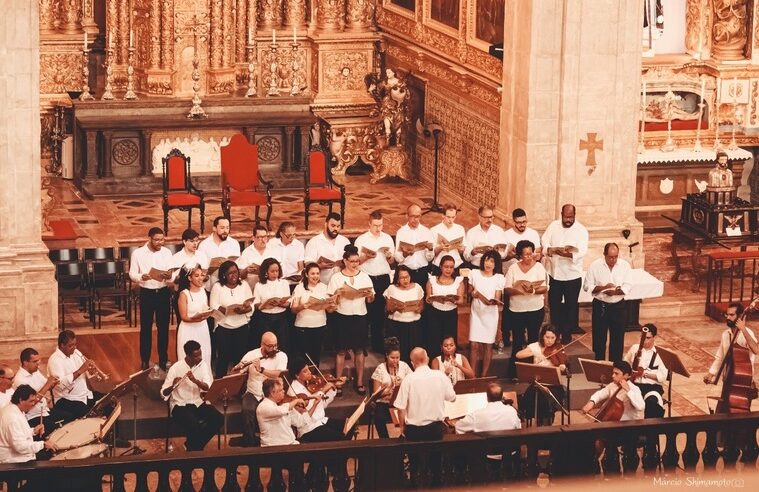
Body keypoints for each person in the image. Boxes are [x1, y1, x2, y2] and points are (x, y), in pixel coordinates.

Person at [394, 347, 456, 487]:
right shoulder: (440, 376)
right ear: (427, 359)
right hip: (435, 429)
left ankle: (415, 475)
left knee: (413, 455)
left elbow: (400, 407)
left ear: (412, 363)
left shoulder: (409, 379)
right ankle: (436, 477)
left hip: (414, 431)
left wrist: (403, 428)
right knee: (436, 454)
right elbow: (452, 397)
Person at [289, 359, 350, 490]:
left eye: (308, 369)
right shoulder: (293, 390)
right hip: (308, 428)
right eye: (304, 371)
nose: (309, 373)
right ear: (296, 375)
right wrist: (322, 390)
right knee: (341, 438)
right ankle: (336, 471)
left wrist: (334, 387)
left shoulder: (309, 384)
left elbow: (322, 404)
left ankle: (333, 466)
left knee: (349, 426)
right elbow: (308, 409)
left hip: (321, 421)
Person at [327, 245, 375, 395]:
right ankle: (338, 382)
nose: (355, 264)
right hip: (343, 316)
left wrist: (369, 295)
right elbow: (330, 298)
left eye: (357, 261)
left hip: (360, 315)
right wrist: (338, 295)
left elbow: (371, 299)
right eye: (352, 261)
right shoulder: (336, 277)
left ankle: (359, 382)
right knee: (341, 350)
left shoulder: (364, 276)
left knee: (359, 350)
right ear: (345, 261)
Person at [161, 340, 222, 451]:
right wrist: (173, 385)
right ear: (188, 356)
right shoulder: (175, 368)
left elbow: (207, 387)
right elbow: (163, 393)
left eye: (200, 354)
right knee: (194, 425)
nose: (200, 357)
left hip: (197, 402)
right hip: (179, 405)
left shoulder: (203, 365)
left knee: (218, 418)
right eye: (196, 356)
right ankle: (195, 449)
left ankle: (192, 446)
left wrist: (195, 381)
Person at [542, 204, 588, 344]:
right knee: (554, 305)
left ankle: (567, 336)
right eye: (566, 217)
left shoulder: (581, 230)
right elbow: (544, 241)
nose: (568, 220)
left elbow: (582, 251)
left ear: (575, 215)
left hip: (572, 276)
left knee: (570, 306)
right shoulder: (553, 226)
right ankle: (554, 335)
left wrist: (567, 254)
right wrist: (550, 249)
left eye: (571, 217)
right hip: (554, 274)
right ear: (561, 214)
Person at [129, 226, 173, 370]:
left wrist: (169, 275)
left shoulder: (167, 253)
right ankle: (145, 360)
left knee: (163, 328)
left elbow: (172, 272)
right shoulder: (138, 253)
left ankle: (163, 360)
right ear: (150, 239)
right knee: (146, 328)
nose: (160, 242)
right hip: (147, 293)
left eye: (162, 240)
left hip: (163, 293)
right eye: (157, 240)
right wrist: (141, 276)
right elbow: (132, 273)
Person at [504, 240, 549, 376]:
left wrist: (533, 291)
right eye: (525, 255)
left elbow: (545, 287)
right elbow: (507, 289)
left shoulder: (539, 267)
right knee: (517, 341)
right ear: (519, 255)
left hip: (535, 309)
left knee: (533, 341)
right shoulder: (513, 268)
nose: (529, 257)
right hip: (517, 310)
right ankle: (515, 373)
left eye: (531, 254)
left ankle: (532, 373)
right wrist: (519, 290)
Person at [235, 332, 288, 447]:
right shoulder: (251, 354)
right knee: (247, 410)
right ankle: (250, 445)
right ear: (262, 344)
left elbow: (279, 374)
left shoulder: (281, 356)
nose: (274, 348)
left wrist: (261, 370)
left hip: (271, 394)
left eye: (275, 345)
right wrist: (239, 367)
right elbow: (236, 374)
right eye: (270, 346)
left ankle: (274, 442)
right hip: (253, 392)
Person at [354, 210, 395, 353]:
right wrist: (366, 257)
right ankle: (362, 346)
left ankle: (378, 345)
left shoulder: (388, 239)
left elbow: (392, 261)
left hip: (383, 278)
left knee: (379, 314)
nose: (378, 228)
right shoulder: (361, 240)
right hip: (367, 278)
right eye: (375, 225)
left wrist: (389, 256)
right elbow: (355, 262)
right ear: (369, 224)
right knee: (366, 312)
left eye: (381, 225)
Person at [256, 378, 307, 488]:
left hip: (288, 446)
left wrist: (313, 405)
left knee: (309, 458)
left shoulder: (283, 405)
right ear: (272, 393)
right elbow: (281, 411)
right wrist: (295, 401)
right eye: (280, 390)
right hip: (273, 449)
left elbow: (300, 422)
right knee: (297, 465)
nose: (284, 392)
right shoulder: (263, 406)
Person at [584, 242, 632, 361]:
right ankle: (598, 366)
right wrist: (603, 288)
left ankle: (615, 367)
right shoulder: (595, 265)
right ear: (604, 255)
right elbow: (587, 286)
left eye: (615, 257)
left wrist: (616, 291)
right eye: (610, 257)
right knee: (599, 338)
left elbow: (628, 285)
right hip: (601, 306)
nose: (613, 260)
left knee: (618, 338)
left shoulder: (624, 265)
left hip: (618, 306)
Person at [502, 208, 542, 346]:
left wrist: (532, 255)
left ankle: (528, 339)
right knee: (509, 309)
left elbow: (538, 253)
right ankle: (507, 337)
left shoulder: (533, 233)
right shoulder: (506, 235)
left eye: (524, 222)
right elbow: (503, 256)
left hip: (530, 273)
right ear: (513, 222)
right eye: (519, 223)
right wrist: (514, 255)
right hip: (512, 272)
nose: (522, 225)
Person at [515, 326, 567, 426]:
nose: (550, 341)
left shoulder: (559, 348)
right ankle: (540, 422)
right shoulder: (535, 346)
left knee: (546, 400)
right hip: (538, 384)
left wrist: (562, 367)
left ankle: (547, 422)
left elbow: (563, 365)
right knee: (532, 397)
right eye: (547, 337)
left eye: (553, 338)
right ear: (542, 336)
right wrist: (537, 353)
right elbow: (518, 355)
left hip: (554, 385)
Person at [209, 260, 254, 378]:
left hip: (241, 326)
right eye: (230, 273)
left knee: (240, 358)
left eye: (236, 272)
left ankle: (239, 385)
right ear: (224, 275)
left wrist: (245, 309)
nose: (234, 275)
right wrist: (227, 310)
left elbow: (251, 304)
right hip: (224, 327)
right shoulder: (218, 287)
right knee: (223, 358)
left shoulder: (244, 285)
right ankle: (219, 383)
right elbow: (213, 306)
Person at [47, 330, 101, 423]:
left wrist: (90, 371)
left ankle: (110, 436)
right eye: (70, 345)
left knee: (109, 403)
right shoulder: (54, 360)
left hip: (84, 395)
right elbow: (60, 385)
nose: (74, 348)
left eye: (75, 344)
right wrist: (80, 370)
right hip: (66, 399)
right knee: (90, 416)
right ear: (62, 345)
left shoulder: (75, 353)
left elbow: (85, 372)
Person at [703, 303, 759, 389]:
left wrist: (743, 329)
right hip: (727, 379)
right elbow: (721, 357)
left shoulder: (748, 333)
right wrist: (711, 373)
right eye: (727, 314)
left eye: (731, 315)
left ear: (740, 316)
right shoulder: (725, 334)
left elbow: (756, 350)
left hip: (743, 381)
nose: (728, 317)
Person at [291, 262, 336, 366]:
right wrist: (303, 306)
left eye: (317, 273)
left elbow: (329, 310)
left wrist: (332, 306)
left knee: (316, 355)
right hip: (303, 325)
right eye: (312, 274)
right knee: (303, 356)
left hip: (319, 325)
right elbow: (293, 310)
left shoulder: (324, 287)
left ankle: (315, 379)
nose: (315, 276)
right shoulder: (300, 288)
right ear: (306, 274)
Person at [468, 250, 505, 377]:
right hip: (476, 312)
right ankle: (472, 376)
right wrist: (473, 294)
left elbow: (497, 298)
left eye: (492, 261)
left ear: (496, 264)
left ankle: (484, 376)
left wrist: (485, 298)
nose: (488, 263)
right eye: (486, 260)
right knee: (473, 344)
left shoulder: (499, 278)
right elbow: (470, 291)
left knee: (488, 345)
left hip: (490, 314)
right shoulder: (474, 273)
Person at [0, 385, 57, 463]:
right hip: (14, 460)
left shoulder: (13, 409)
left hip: (18, 455)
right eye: (31, 401)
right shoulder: (12, 418)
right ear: (21, 400)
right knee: (51, 455)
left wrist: (33, 431)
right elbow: (20, 447)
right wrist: (43, 444)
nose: (34, 404)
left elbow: (17, 433)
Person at [371, 337, 413, 439]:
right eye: (392, 358)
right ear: (386, 356)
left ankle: (403, 439)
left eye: (397, 357)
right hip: (385, 401)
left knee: (412, 416)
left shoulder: (404, 366)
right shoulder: (380, 369)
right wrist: (389, 388)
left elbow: (413, 383)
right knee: (379, 418)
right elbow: (376, 395)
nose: (395, 360)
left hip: (401, 401)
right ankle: (386, 442)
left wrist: (402, 384)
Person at [624, 323, 668, 418]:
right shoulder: (635, 348)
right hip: (634, 385)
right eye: (642, 337)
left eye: (648, 338)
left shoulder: (661, 353)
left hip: (652, 387)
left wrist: (644, 374)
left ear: (654, 337)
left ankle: (650, 431)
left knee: (652, 403)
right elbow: (625, 364)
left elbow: (663, 376)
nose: (644, 340)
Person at [425, 255, 465, 357]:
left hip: (450, 314)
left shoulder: (458, 281)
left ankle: (450, 364)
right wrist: (433, 299)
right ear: (441, 267)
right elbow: (427, 299)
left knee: (449, 342)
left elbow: (461, 300)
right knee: (434, 340)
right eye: (446, 266)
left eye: (451, 267)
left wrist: (453, 300)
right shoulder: (432, 280)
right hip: (434, 314)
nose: (449, 269)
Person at [13, 348, 60, 432]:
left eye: (38, 361)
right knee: (55, 428)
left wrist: (53, 383)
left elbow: (47, 386)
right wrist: (48, 384)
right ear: (25, 363)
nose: (38, 364)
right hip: (33, 416)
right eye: (34, 362)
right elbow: (31, 402)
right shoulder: (20, 380)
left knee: (69, 417)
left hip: (45, 412)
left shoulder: (35, 372)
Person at [384, 265, 424, 363]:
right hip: (396, 325)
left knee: (413, 352)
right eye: (402, 278)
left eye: (407, 277)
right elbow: (387, 309)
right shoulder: (392, 288)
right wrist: (395, 308)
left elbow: (422, 307)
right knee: (397, 352)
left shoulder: (417, 287)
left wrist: (418, 308)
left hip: (413, 325)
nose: (405, 280)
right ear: (397, 279)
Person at [176, 263, 213, 361]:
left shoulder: (203, 291)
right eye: (197, 276)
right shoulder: (184, 294)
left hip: (202, 328)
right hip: (188, 330)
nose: (201, 278)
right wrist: (195, 318)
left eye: (202, 275)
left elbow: (206, 308)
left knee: (204, 355)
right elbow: (183, 317)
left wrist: (208, 313)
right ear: (189, 278)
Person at [253, 257, 292, 351]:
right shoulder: (259, 285)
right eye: (272, 271)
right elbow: (256, 304)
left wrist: (279, 303)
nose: (275, 273)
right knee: (267, 345)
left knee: (282, 344)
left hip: (281, 318)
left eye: (277, 271)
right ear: (266, 271)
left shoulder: (284, 283)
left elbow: (288, 303)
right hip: (265, 319)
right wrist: (266, 304)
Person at [393, 205, 434, 289]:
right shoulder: (401, 232)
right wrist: (404, 254)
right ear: (407, 216)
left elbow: (429, 259)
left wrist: (430, 250)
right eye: (412, 216)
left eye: (418, 216)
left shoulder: (426, 232)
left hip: (422, 272)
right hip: (406, 273)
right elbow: (397, 258)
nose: (415, 219)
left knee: (422, 299)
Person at [455, 382, 521, 433]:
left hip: (485, 450)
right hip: (508, 449)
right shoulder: (512, 411)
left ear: (487, 398)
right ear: (502, 397)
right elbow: (518, 428)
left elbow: (458, 427)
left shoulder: (476, 415)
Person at [304, 212, 351, 285]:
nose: (336, 229)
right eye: (333, 226)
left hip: (342, 284)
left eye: (338, 226)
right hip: (322, 285)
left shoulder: (345, 241)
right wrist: (319, 266)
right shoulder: (314, 242)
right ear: (326, 224)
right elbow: (308, 264)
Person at [198, 216, 241, 289]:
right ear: (214, 228)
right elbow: (200, 268)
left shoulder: (234, 243)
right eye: (222, 228)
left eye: (227, 228)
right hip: (210, 286)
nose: (225, 231)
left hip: (229, 285)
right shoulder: (204, 245)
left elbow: (238, 265)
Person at [237, 224, 276, 291]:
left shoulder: (272, 250)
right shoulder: (246, 252)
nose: (263, 240)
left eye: (265, 237)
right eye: (260, 237)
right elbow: (241, 275)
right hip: (252, 287)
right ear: (253, 238)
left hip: (270, 288)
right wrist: (246, 270)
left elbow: (279, 271)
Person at [430, 204, 466, 275]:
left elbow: (462, 252)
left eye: (453, 217)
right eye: (448, 217)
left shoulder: (460, 229)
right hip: (439, 266)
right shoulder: (434, 230)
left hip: (456, 265)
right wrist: (440, 248)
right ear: (443, 215)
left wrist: (460, 248)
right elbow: (431, 255)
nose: (451, 220)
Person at [269, 221, 305, 289]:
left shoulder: (299, 245)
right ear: (281, 234)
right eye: (289, 235)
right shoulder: (272, 244)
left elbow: (301, 267)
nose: (292, 238)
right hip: (277, 282)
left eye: (293, 235)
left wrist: (299, 276)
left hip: (293, 283)